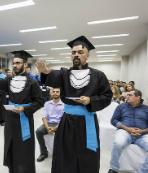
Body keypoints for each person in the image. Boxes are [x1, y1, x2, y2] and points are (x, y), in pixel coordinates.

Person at [36, 36, 113, 173]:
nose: (76, 55)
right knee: (66, 153)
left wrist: (90, 101)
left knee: (87, 155)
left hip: (87, 120)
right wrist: (44, 73)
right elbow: (51, 79)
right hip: (67, 121)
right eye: (73, 52)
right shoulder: (64, 73)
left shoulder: (98, 75)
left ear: (87, 55)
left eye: (80, 52)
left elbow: (107, 97)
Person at [0, 50, 43, 173]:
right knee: (11, 144)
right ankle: (12, 169)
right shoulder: (9, 80)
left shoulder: (33, 82)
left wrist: (25, 109)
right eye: (13, 63)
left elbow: (39, 101)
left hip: (24, 119)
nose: (15, 65)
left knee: (24, 146)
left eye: (18, 63)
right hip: (10, 118)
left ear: (25, 64)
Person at [109, 89, 148, 173]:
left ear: (138, 97)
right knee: (118, 143)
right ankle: (113, 168)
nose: (127, 96)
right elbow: (114, 120)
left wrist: (142, 131)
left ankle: (143, 171)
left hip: (143, 134)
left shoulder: (146, 108)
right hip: (124, 131)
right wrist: (127, 128)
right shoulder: (121, 106)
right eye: (126, 95)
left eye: (130, 95)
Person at [36, 88, 64, 162]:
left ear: (60, 93)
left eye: (57, 92)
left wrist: (57, 127)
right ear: (51, 93)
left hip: (60, 123)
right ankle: (44, 153)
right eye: (53, 91)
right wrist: (47, 127)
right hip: (49, 123)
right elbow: (44, 116)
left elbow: (64, 118)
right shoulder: (47, 103)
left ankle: (61, 153)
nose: (55, 93)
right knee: (38, 131)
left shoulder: (64, 104)